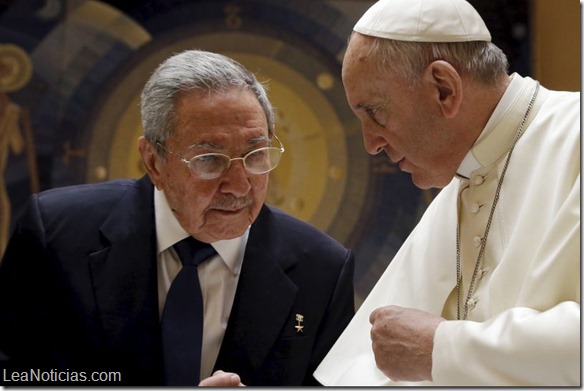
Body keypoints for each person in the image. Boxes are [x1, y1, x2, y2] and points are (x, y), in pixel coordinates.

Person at [0, 49, 355, 386]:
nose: (238, 185)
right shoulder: (56, 236)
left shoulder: (323, 271)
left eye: (255, 154)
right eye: (209, 160)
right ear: (153, 161)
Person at [314, 0, 579, 386]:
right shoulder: (464, 175)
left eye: (374, 112)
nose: (371, 144)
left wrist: (444, 350)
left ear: (444, 88)